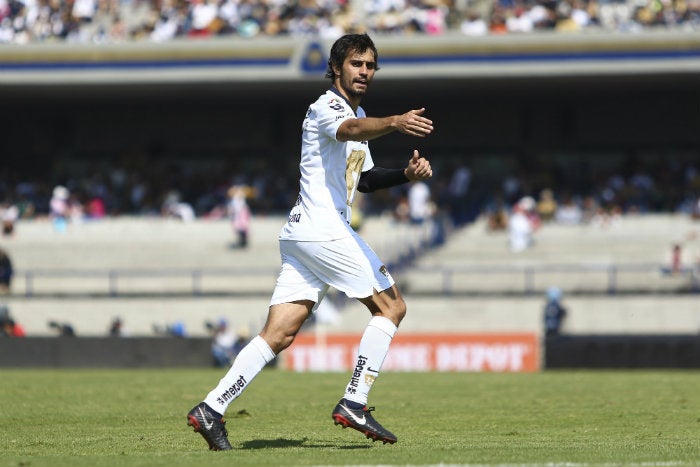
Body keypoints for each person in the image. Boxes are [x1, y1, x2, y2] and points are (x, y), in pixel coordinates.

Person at [186, 33, 434, 451]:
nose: (365, 72)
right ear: (337, 67)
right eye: (357, 64)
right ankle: (355, 401)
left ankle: (211, 408)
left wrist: (406, 176)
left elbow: (367, 180)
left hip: (305, 234)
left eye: (371, 66)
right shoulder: (326, 106)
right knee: (392, 307)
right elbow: (350, 129)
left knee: (278, 334)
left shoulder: (359, 115)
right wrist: (394, 122)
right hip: (323, 229)